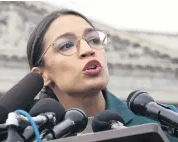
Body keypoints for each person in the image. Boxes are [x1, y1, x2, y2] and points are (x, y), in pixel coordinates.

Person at [26, 9, 178, 141]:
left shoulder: (163, 121)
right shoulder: (26, 135)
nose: (88, 49)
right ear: (42, 75)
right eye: (67, 45)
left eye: (94, 39)